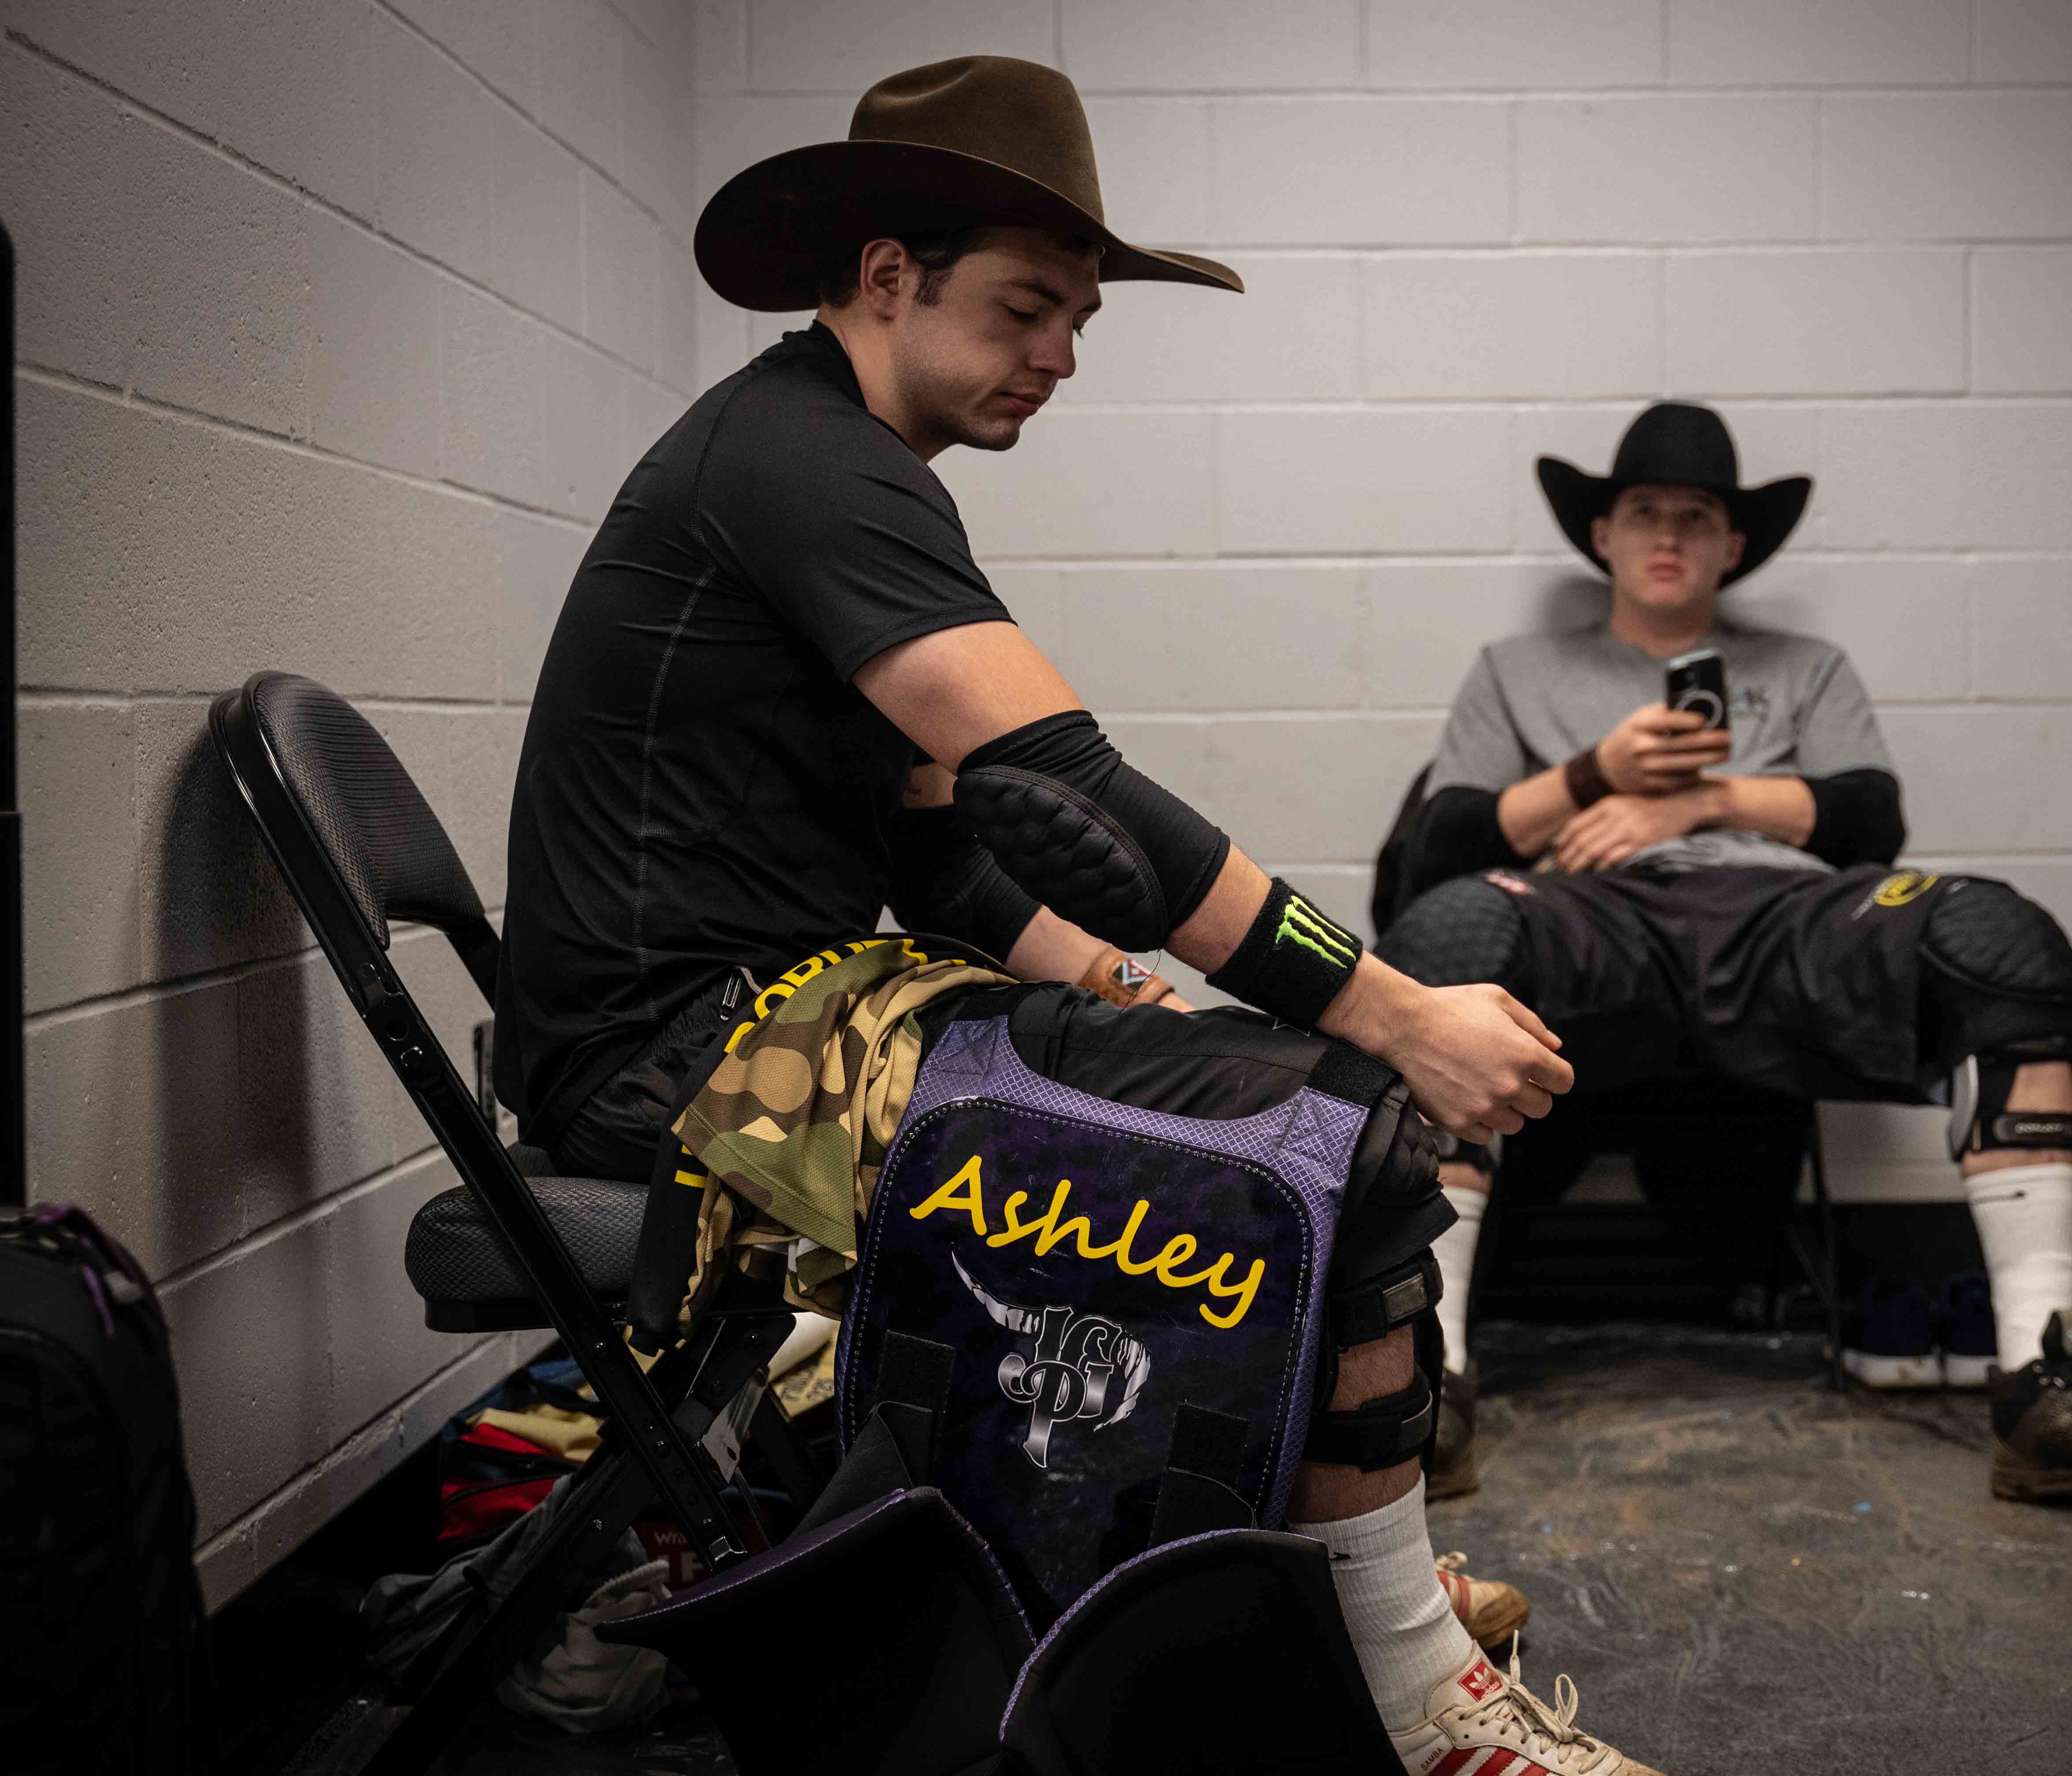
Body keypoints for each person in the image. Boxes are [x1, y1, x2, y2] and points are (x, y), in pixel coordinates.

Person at [492, 56, 1659, 1776]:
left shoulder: (824, 460)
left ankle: (1334, 1599)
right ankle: (1415, 1699)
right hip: (704, 1067)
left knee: (1272, 1093)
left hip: (786, 1028)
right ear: (887, 276)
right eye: (1026, 308)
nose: (1060, 355)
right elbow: (1073, 794)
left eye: (1079, 321)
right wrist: (1395, 1010)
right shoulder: (807, 462)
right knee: (1338, 1129)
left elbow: (951, 862)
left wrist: (1133, 994)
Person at [1377, 401, 2072, 1505]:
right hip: (1585, 913)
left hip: (1779, 914)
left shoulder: (1805, 667)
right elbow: (1442, 847)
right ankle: (1428, 1385)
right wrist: (1598, 774)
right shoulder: (1519, 667)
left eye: (1698, 518)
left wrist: (1701, 802)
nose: (1668, 535)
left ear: (1734, 545)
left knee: (1998, 937)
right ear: (1602, 534)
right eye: (1644, 512)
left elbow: (1869, 820)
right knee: (1448, 933)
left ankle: (2048, 1385)